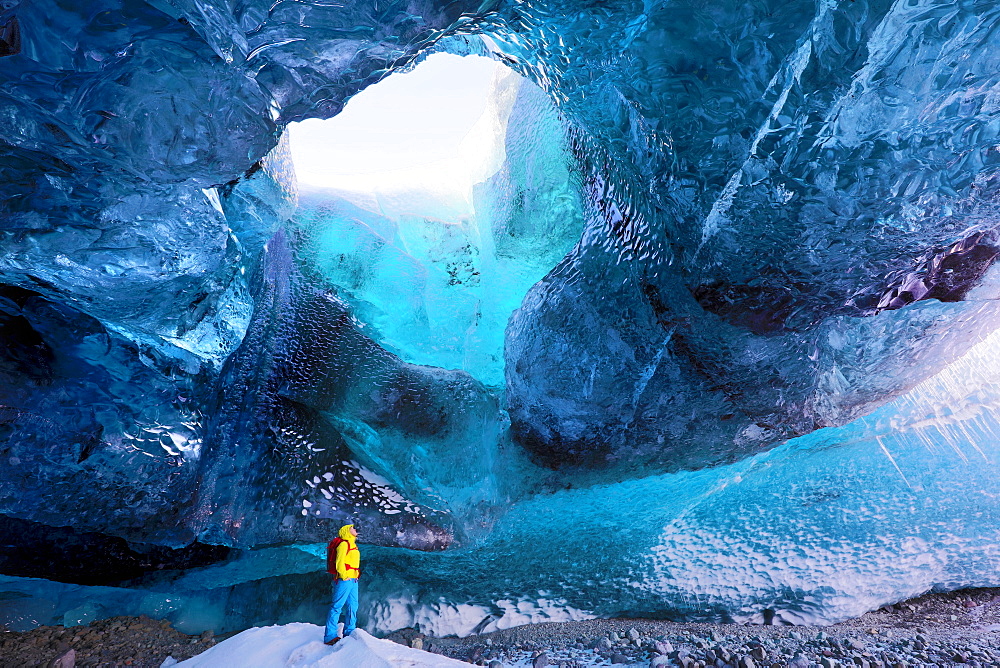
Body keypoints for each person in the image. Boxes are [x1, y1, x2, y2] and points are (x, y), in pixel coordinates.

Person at [324, 523, 361, 645]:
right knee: (337, 607)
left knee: (353, 606)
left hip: (354, 579)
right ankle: (330, 636)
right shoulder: (344, 544)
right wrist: (344, 576)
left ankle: (349, 631)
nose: (355, 530)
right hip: (345, 580)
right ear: (347, 531)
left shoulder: (353, 544)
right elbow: (339, 562)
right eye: (353, 528)